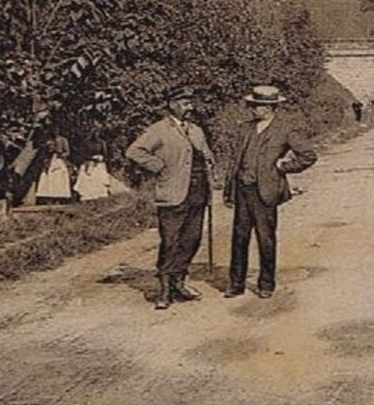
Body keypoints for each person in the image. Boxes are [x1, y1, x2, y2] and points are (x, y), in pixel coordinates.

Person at [126, 84, 216, 310]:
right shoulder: (159, 130)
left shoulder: (196, 130)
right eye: (185, 104)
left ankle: (180, 282)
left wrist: (210, 167)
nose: (190, 107)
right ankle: (165, 289)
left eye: (190, 103)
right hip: (172, 193)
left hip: (198, 192)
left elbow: (206, 155)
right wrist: (158, 166)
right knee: (170, 241)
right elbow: (134, 151)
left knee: (192, 239)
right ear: (172, 105)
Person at [224, 84, 317, 299]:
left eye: (256, 105)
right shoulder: (245, 128)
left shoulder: (284, 129)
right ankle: (236, 284)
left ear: (269, 108)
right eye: (253, 105)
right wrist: (229, 190)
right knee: (239, 238)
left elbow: (308, 155)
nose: (252, 109)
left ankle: (266, 284)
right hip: (243, 190)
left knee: (265, 239)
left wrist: (284, 166)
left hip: (265, 192)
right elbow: (235, 162)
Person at [30, 127, 73, 204]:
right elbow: (44, 151)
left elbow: (67, 152)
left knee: (58, 177)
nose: (55, 132)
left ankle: (60, 197)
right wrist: (46, 159)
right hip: (49, 160)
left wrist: (60, 155)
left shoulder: (63, 140)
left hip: (58, 160)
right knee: (47, 177)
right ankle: (48, 197)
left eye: (56, 130)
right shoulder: (48, 141)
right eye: (53, 131)